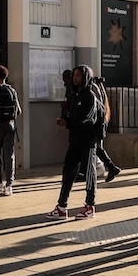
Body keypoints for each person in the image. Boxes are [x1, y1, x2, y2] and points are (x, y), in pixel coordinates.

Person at [45, 65, 103, 220]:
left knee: (90, 173)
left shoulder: (90, 96)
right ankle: (62, 207)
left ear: (86, 77)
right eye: (74, 75)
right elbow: (74, 117)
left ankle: (90, 206)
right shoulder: (74, 95)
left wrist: (69, 124)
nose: (75, 78)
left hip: (88, 141)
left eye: (78, 75)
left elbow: (89, 121)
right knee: (68, 172)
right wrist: (65, 120)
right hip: (75, 141)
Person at [0, 65, 23, 196]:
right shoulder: (11, 91)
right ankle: (9, 184)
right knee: (9, 155)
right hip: (10, 126)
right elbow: (18, 110)